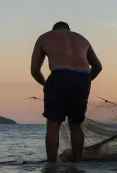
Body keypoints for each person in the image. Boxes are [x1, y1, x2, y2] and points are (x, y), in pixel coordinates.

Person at [30, 21, 103, 162]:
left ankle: (51, 165)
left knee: (53, 123)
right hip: (82, 77)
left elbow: (34, 70)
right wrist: (87, 80)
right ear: (69, 30)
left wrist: (46, 84)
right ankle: (77, 162)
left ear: (54, 29)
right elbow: (98, 66)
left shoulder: (45, 37)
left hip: (59, 76)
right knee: (76, 125)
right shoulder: (82, 39)